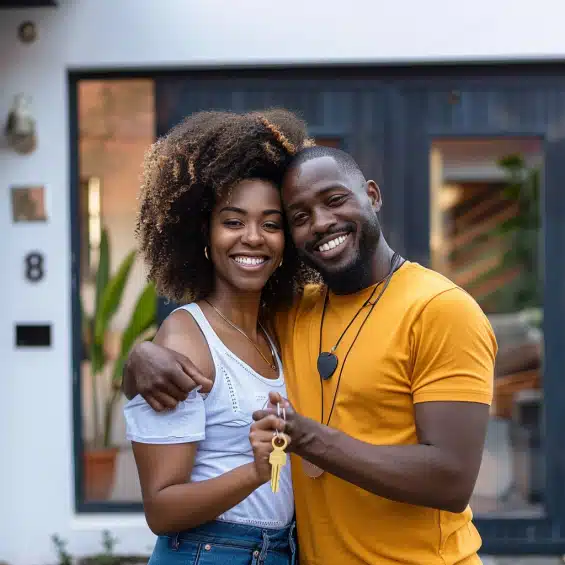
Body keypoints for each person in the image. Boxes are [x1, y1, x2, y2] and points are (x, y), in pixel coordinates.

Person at [124, 137, 498, 565]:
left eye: (335, 200)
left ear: (371, 196)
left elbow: (451, 481)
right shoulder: (292, 314)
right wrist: (136, 361)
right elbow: (211, 340)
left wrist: (307, 438)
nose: (320, 223)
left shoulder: (441, 309)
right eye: (299, 216)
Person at [123, 108, 317, 565]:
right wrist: (255, 471)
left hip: (278, 552)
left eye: (271, 224)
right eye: (233, 221)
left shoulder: (279, 330)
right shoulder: (186, 338)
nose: (253, 237)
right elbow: (162, 508)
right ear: (204, 236)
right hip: (207, 553)